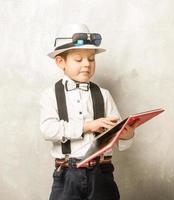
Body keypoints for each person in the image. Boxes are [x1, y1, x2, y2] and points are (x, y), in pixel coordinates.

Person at [40, 24, 138, 200]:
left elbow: (116, 136)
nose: (86, 64)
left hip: (102, 174)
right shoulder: (50, 95)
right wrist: (87, 126)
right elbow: (48, 129)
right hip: (66, 175)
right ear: (60, 62)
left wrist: (126, 136)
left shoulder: (103, 95)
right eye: (78, 59)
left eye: (91, 59)